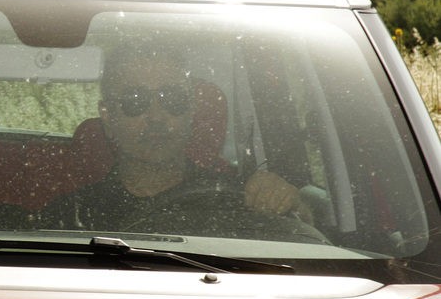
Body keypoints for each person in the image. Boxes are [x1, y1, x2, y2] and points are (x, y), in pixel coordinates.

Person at [41, 47, 309, 232]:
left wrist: (291, 205)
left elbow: (302, 245)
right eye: (136, 101)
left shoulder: (242, 201)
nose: (156, 116)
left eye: (173, 99)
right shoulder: (70, 217)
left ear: (191, 110)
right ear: (108, 117)